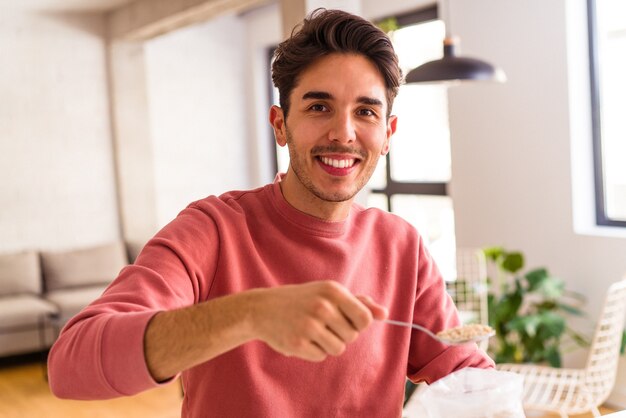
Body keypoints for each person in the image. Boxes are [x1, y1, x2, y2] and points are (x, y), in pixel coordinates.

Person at [48, 8, 494, 417]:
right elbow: (71, 365)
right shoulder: (213, 230)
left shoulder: (402, 246)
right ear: (280, 124)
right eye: (319, 107)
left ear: (388, 132)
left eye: (365, 112)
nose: (344, 133)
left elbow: (463, 371)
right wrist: (251, 314)